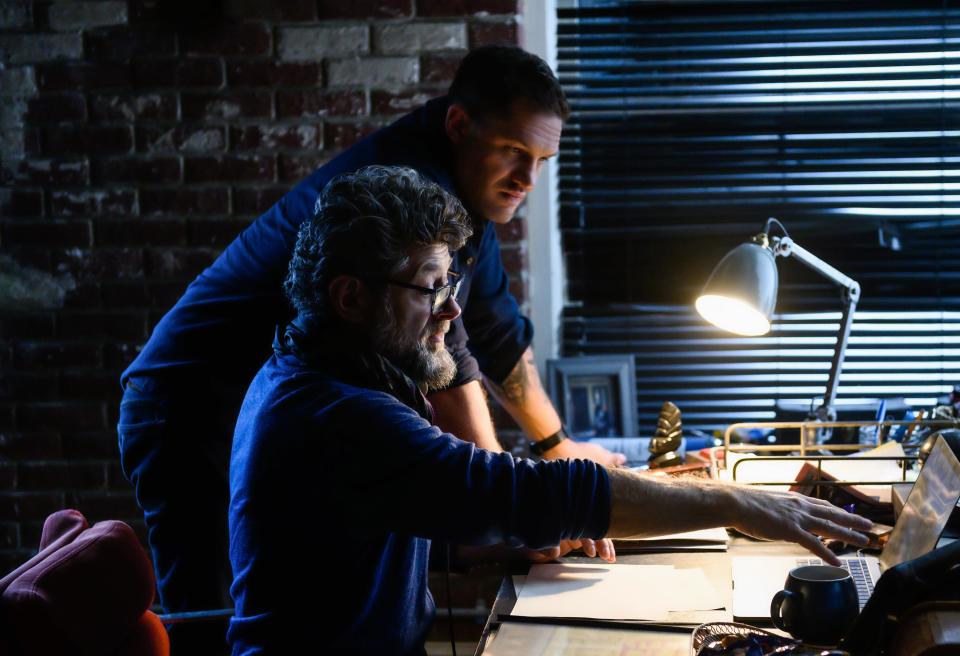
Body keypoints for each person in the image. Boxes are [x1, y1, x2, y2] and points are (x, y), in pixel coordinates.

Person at [228, 165, 872, 655]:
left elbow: (393, 525)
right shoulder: (336, 415)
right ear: (349, 298)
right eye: (430, 286)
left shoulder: (311, 375)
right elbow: (514, 489)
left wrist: (496, 543)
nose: (452, 312)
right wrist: (737, 502)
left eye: (450, 285)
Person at [116, 45, 624, 652]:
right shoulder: (408, 195)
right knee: (221, 623)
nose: (529, 179)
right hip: (188, 403)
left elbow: (494, 330)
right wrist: (513, 502)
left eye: (543, 159)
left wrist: (553, 444)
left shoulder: (468, 193)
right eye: (515, 153)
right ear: (460, 125)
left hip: (274, 402)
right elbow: (452, 356)